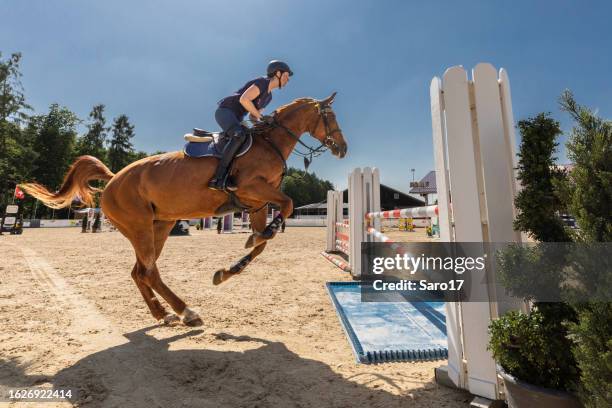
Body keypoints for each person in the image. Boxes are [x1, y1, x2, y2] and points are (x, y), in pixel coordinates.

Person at [208, 60, 293, 191]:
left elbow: (253, 116)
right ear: (277, 73)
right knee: (238, 135)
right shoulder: (262, 82)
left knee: (253, 139)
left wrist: (264, 126)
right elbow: (244, 99)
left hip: (237, 118)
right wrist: (262, 117)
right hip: (225, 111)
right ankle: (217, 178)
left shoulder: (268, 97)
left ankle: (235, 174)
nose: (288, 80)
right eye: (286, 75)